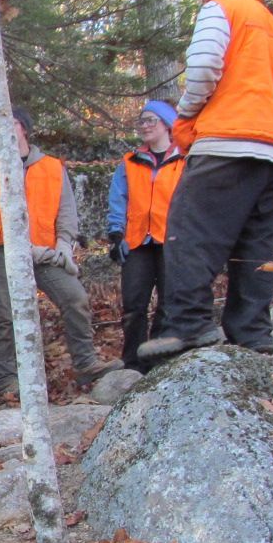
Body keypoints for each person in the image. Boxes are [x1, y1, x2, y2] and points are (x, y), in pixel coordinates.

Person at [140, 0, 273, 360]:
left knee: (189, 234)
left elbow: (205, 68)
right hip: (271, 152)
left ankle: (190, 325)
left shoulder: (220, 11)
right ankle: (253, 336)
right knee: (254, 248)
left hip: (224, 144)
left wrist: (185, 115)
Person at [0, 108, 120, 398]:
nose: (5, 129)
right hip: (2, 252)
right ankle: (8, 381)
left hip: (45, 253)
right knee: (6, 316)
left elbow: (66, 212)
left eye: (11, 123)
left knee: (75, 299)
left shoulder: (52, 167)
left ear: (24, 128)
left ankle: (86, 364)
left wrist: (63, 246)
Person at [106, 100, 185, 371]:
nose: (145, 126)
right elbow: (118, 200)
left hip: (172, 241)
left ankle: (159, 360)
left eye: (151, 120)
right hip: (137, 241)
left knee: (168, 303)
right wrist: (116, 235)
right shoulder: (129, 163)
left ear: (167, 125)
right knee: (133, 306)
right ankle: (133, 364)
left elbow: (193, 202)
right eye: (142, 121)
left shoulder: (185, 161)